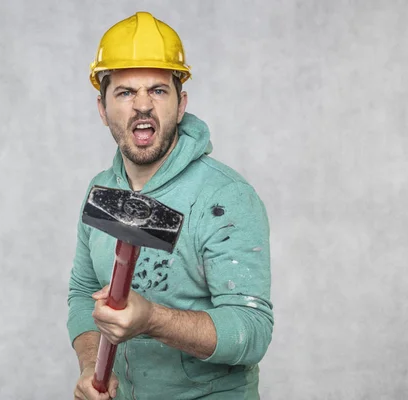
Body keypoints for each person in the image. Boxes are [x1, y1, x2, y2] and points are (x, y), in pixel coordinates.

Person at [67, 11, 273, 400]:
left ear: (180, 105)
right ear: (102, 108)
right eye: (125, 92)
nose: (142, 106)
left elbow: (252, 330)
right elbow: (83, 291)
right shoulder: (102, 191)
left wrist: (153, 319)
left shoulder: (224, 197)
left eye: (158, 90)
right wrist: (92, 365)